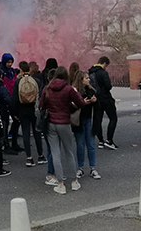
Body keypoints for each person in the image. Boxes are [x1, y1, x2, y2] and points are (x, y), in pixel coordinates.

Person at [39, 66, 85, 194]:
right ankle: (74, 182)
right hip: (64, 123)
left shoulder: (47, 89)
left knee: (55, 153)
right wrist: (70, 107)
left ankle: (60, 184)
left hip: (51, 123)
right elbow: (80, 103)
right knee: (69, 152)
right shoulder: (68, 89)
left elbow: (41, 105)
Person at [12, 61, 47, 167]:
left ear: (21, 70)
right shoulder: (36, 80)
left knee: (26, 133)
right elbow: (41, 96)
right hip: (34, 108)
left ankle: (29, 158)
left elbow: (15, 98)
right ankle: (40, 155)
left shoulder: (18, 82)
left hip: (23, 109)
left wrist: (15, 112)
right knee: (37, 132)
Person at [72, 70, 101, 180]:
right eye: (86, 78)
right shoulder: (75, 92)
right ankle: (80, 168)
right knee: (80, 145)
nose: (89, 79)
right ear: (81, 80)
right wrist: (83, 103)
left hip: (89, 119)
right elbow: (71, 106)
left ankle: (93, 168)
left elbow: (98, 107)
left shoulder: (91, 90)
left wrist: (94, 101)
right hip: (78, 121)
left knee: (91, 145)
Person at [89, 56, 118, 150]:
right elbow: (108, 86)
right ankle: (109, 140)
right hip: (105, 98)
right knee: (113, 118)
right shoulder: (103, 73)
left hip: (96, 99)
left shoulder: (91, 71)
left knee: (98, 120)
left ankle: (101, 141)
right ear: (105, 63)